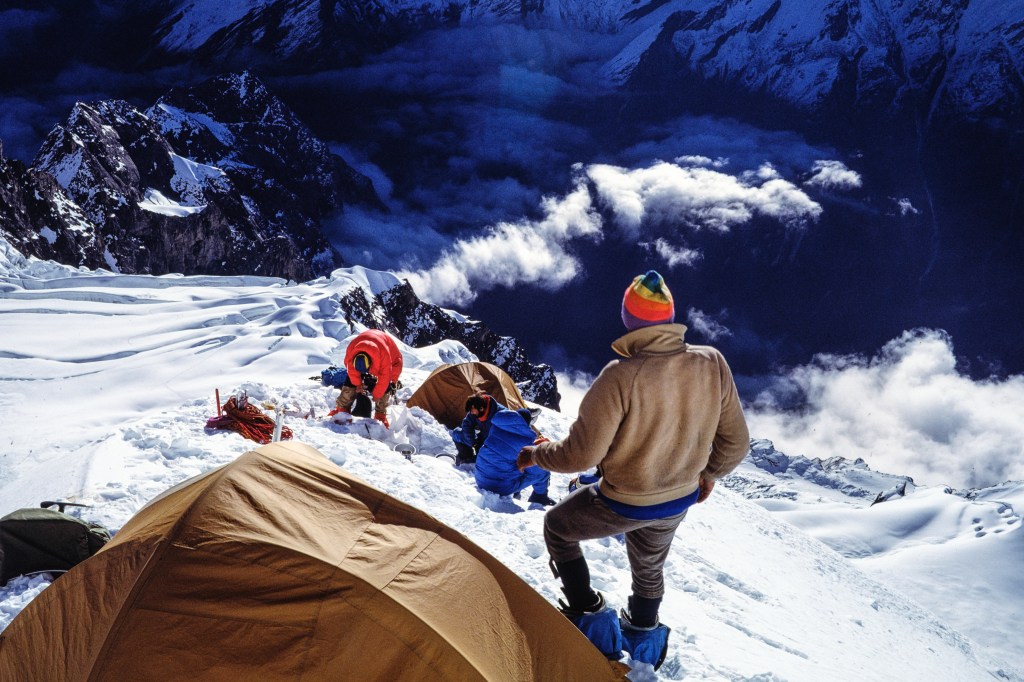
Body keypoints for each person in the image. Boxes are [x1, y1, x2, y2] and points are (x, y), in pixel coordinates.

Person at [516, 270, 749, 667]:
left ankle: (589, 614)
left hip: (623, 501)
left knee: (558, 526)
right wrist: (708, 475)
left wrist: (537, 455)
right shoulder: (712, 363)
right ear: (670, 317)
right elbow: (737, 443)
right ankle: (644, 640)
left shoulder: (619, 377)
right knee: (649, 567)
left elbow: (580, 456)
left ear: (629, 320)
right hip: (679, 498)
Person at [474, 408, 556, 506]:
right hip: (497, 487)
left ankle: (516, 491)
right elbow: (536, 469)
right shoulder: (525, 442)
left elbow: (508, 447)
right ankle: (539, 497)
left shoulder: (497, 428)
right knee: (541, 468)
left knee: (508, 462)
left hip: (480, 478)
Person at [330, 329, 403, 428]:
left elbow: (384, 380)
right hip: (373, 343)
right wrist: (358, 385)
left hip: (394, 361)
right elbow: (352, 372)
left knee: (387, 385)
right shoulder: (351, 351)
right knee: (351, 380)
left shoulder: (384, 357)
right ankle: (342, 410)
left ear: (371, 363)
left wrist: (377, 395)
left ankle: (380, 416)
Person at [450, 393, 504, 465]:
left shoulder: (500, 415)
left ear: (481, 409)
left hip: (494, 447)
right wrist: (472, 441)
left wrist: (474, 458)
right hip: (482, 438)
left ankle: (472, 461)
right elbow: (467, 423)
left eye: (472, 411)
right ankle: (465, 456)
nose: (471, 413)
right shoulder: (476, 407)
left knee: (484, 459)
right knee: (456, 433)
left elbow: (500, 444)